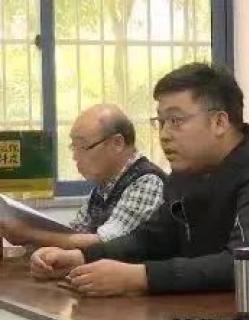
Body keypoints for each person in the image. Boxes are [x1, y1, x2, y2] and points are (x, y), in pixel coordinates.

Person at [29, 62, 249, 296]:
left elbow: (244, 263)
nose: (164, 135)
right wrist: (82, 258)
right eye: (160, 122)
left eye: (176, 121)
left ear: (220, 122)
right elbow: (150, 239)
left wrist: (140, 277)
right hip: (197, 314)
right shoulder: (187, 172)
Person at [0, 104, 165, 249]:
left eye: (82, 146)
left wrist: (29, 234)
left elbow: (106, 244)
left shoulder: (147, 182)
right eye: (74, 147)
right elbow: (74, 233)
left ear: (117, 143)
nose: (75, 157)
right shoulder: (103, 187)